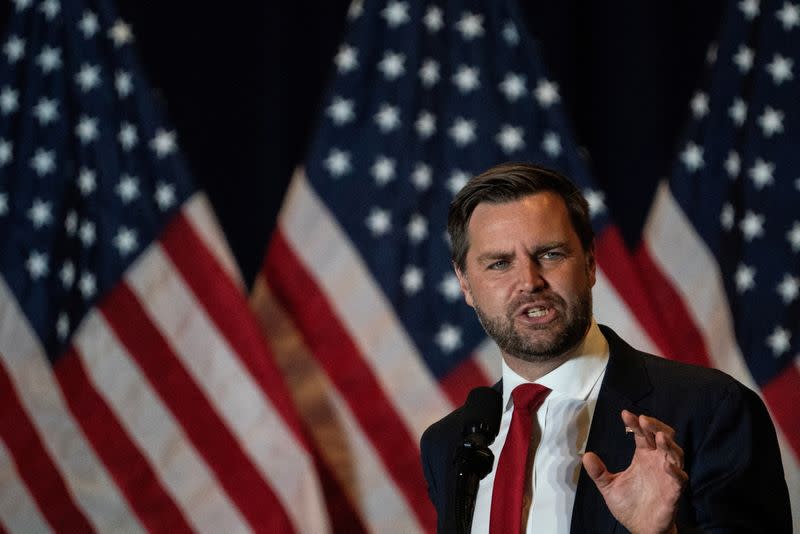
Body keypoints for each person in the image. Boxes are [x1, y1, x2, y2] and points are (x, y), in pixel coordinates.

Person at [420, 163, 792, 533]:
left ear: (590, 261)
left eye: (550, 254)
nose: (529, 282)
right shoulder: (446, 444)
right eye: (499, 263)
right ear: (465, 283)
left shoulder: (711, 409)